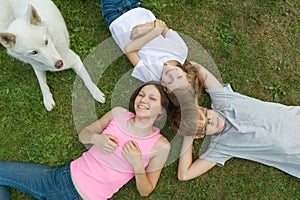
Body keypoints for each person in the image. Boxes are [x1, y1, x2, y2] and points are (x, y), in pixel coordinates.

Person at [0, 82, 171, 200]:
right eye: (141, 95)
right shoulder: (118, 114)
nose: (143, 100)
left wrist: (138, 165)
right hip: (58, 177)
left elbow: (145, 191)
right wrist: (96, 138)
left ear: (161, 112)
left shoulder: (160, 146)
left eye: (152, 98)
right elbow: (84, 134)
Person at [170, 62, 300, 179]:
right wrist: (188, 136)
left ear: (203, 108)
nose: (211, 121)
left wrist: (187, 92)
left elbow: (195, 67)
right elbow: (184, 174)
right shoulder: (221, 147)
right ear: (199, 135)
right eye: (205, 126)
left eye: (205, 114)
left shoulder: (225, 102)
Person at [100, 0, 203, 95]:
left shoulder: (151, 75)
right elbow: (162, 26)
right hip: (137, 8)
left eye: (170, 82)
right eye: (179, 77)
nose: (172, 75)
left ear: (164, 87)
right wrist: (144, 29)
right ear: (187, 72)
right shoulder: (181, 51)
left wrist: (154, 32)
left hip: (116, 17)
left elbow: (129, 50)